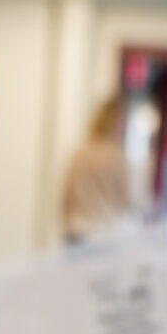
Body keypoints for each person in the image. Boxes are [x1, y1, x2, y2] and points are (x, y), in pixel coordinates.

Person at [61, 95, 135, 243]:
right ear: (117, 123)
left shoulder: (79, 153)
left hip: (77, 231)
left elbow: (66, 198)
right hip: (105, 234)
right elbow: (127, 199)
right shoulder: (117, 157)